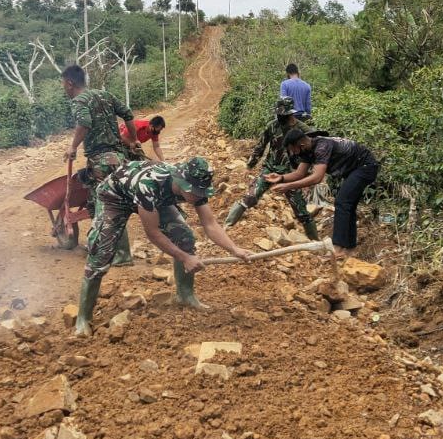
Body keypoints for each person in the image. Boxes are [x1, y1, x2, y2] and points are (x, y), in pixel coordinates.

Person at [74, 157, 251, 335]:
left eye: (201, 191)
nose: (198, 196)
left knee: (184, 237)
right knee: (101, 252)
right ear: (180, 182)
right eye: (194, 191)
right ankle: (83, 318)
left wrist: (235, 249)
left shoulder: (196, 188)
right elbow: (153, 233)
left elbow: (210, 224)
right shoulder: (149, 184)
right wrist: (185, 258)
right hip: (114, 197)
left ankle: (185, 295)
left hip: (155, 200)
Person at [62, 64, 139, 266]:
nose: (64, 89)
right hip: (120, 158)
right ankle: (114, 250)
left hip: (101, 161)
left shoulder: (79, 100)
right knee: (115, 204)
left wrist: (72, 147)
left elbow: (84, 123)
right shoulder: (104, 94)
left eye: (64, 84)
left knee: (105, 206)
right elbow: (128, 113)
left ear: (69, 83)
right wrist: (134, 139)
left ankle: (114, 253)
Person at [268, 131, 378, 253]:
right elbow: (299, 173)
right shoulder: (306, 149)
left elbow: (317, 177)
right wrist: (281, 178)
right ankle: (349, 248)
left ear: (300, 144)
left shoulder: (322, 147)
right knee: (348, 206)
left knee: (342, 202)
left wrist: (288, 186)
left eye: (293, 149)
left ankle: (337, 247)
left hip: (365, 166)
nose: (293, 153)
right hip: (354, 170)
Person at [224, 96, 317, 240]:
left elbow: (312, 150)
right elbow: (260, 147)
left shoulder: (302, 129)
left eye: (283, 114)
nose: (280, 117)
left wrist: (309, 175)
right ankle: (226, 228)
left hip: (291, 174)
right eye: (278, 114)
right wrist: (250, 165)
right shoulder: (272, 126)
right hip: (270, 169)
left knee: (302, 212)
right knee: (249, 197)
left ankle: (316, 243)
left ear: (290, 114)